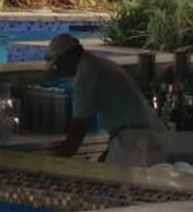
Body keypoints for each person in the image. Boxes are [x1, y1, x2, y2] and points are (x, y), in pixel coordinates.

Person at [44, 33, 165, 163]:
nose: (60, 69)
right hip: (145, 135)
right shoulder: (99, 64)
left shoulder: (86, 73)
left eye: (59, 64)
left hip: (137, 140)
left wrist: (56, 161)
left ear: (67, 57)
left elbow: (79, 128)